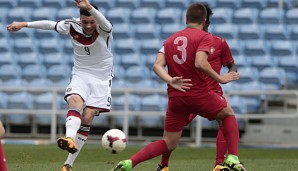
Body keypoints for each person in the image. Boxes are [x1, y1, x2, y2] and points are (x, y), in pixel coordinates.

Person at [111, 3, 245, 171]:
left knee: (168, 142)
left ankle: (130, 163)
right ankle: (231, 158)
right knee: (227, 115)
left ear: (186, 19)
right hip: (199, 94)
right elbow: (200, 62)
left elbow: (156, 66)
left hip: (176, 97)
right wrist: (221, 78)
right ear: (205, 21)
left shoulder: (169, 40)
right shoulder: (205, 37)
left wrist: (170, 80)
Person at [7, 0, 114, 170]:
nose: (88, 26)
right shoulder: (72, 25)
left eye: (91, 22)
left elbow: (107, 24)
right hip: (80, 73)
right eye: (84, 22)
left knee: (87, 117)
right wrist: (24, 24)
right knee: (74, 101)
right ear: (80, 19)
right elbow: (50, 25)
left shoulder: (103, 29)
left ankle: (68, 164)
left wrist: (89, 8)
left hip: (101, 78)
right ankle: (68, 138)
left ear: (96, 19)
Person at [155, 4, 238, 171]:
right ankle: (164, 165)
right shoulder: (194, 40)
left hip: (211, 91)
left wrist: (231, 74)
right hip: (194, 90)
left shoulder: (220, 42)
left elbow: (231, 64)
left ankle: (219, 164)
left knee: (224, 120)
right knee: (173, 133)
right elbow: (198, 63)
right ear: (204, 21)